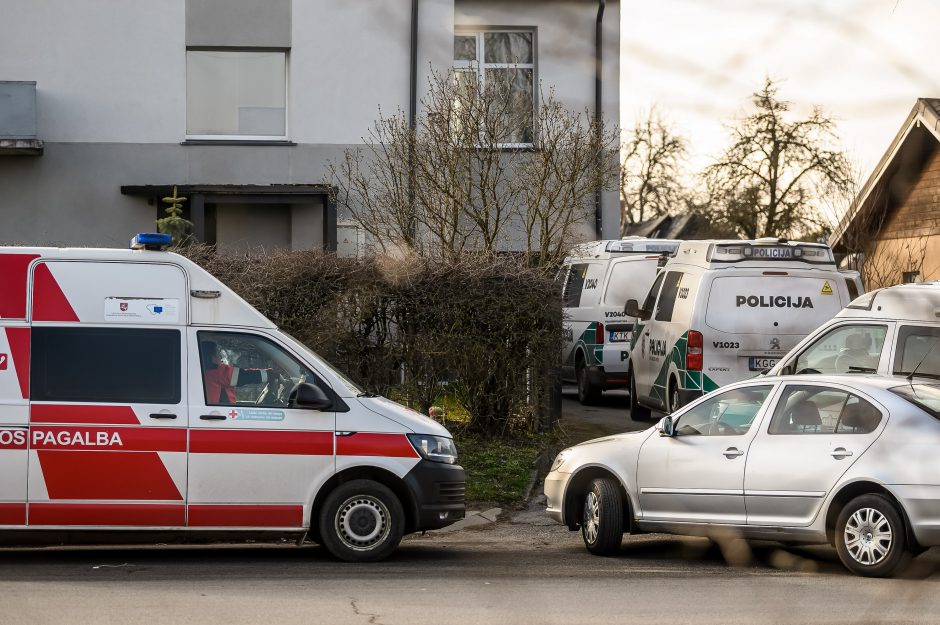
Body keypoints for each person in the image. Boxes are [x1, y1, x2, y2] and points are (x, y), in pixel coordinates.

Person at [200, 340, 271, 405]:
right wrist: (269, 374)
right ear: (212, 357)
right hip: (222, 414)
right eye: (218, 353)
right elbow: (243, 376)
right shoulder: (216, 372)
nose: (221, 357)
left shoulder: (203, 372)